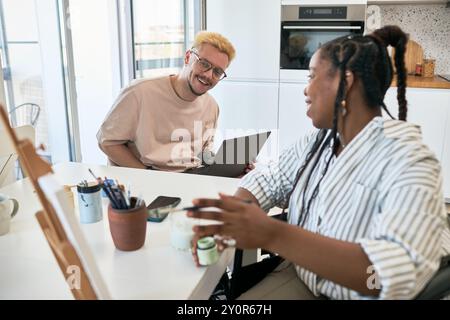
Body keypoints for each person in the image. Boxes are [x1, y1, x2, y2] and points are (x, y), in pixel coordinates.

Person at [189, 25, 450, 300]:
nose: (305, 89)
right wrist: (234, 218)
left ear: (345, 83)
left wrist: (272, 234)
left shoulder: (410, 161)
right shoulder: (322, 140)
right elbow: (270, 178)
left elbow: (382, 278)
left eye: (312, 75)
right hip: (303, 276)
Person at [97, 32, 235, 172]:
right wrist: (147, 174)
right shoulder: (139, 93)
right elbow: (107, 142)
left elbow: (204, 155)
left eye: (217, 72)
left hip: (190, 179)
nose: (208, 75)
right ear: (188, 57)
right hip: (146, 179)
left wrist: (233, 167)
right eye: (204, 63)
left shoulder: (211, 106)